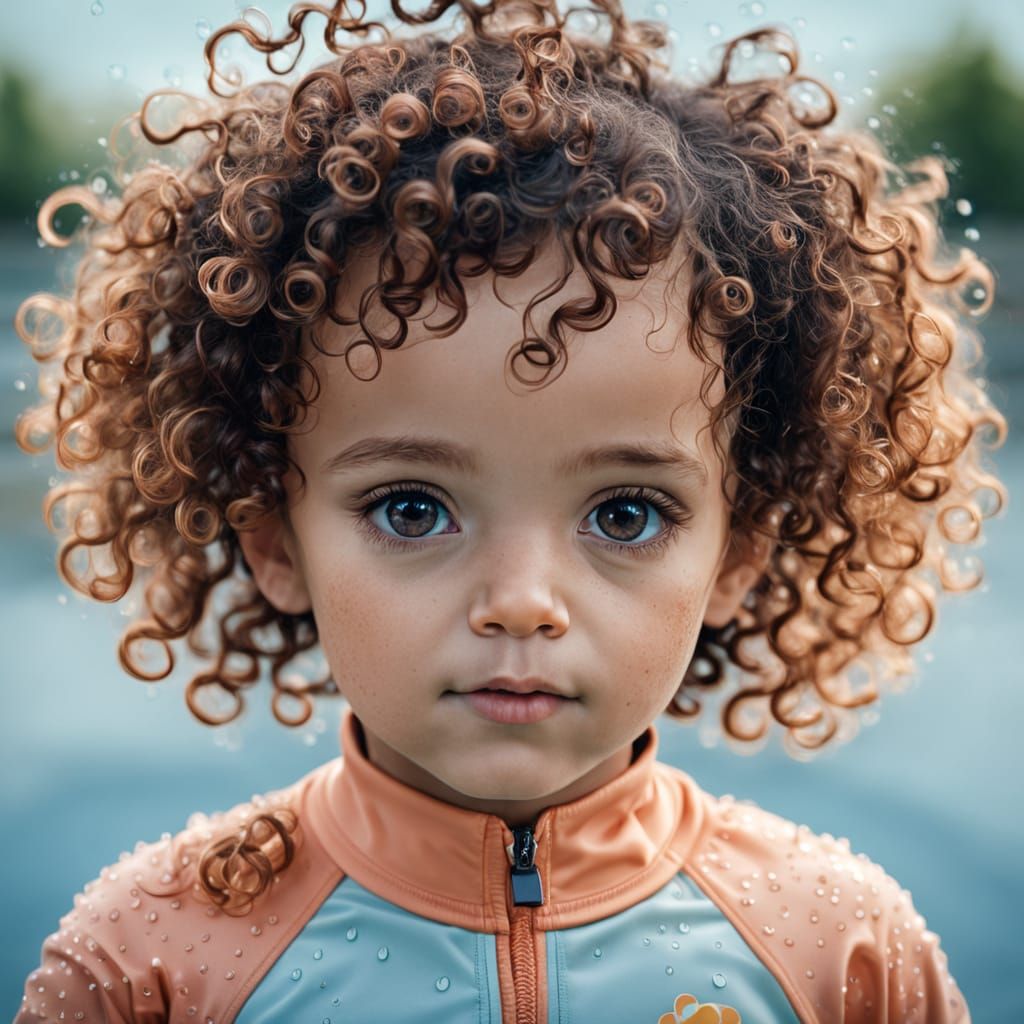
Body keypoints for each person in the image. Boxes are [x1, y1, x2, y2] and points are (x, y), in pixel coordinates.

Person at [13, 1, 1004, 1021]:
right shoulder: (149, 964)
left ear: (738, 551)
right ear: (274, 539)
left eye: (625, 514)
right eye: (410, 507)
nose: (521, 602)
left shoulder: (840, 956)